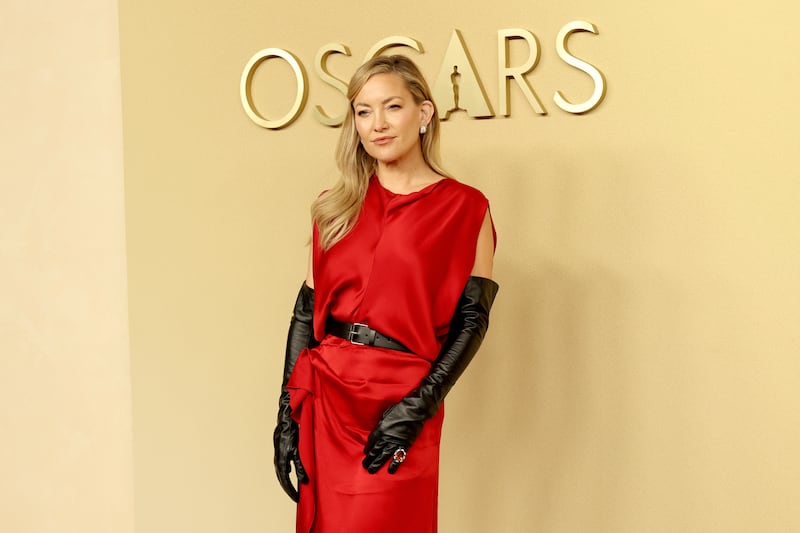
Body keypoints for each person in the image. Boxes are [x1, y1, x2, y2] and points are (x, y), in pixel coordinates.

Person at [273, 54, 499, 533]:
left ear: (424, 112)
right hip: (327, 397)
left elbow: (471, 321)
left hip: (402, 400)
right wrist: (287, 413)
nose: (377, 124)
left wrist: (418, 408)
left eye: (392, 106)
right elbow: (305, 314)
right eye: (363, 111)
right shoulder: (333, 207)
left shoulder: (466, 207)